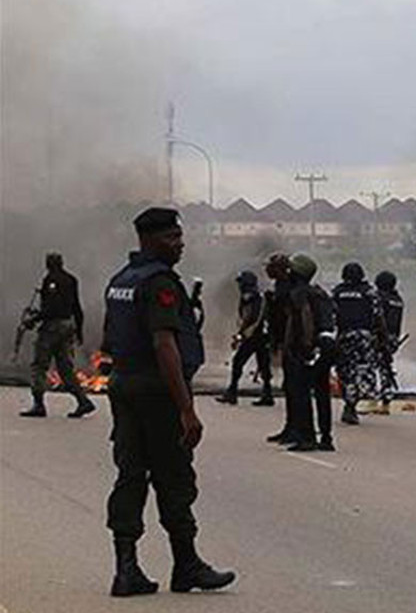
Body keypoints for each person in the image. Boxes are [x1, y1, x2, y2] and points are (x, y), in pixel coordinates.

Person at [101, 207, 234, 596]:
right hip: (156, 392)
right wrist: (186, 409)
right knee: (173, 476)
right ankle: (186, 565)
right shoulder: (159, 283)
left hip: (124, 386)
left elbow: (111, 339)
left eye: (179, 236)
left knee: (129, 475)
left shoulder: (120, 280)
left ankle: (126, 570)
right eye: (172, 237)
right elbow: (165, 345)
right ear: (150, 239)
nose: (180, 244)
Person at [19, 252, 95, 418]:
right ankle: (83, 401)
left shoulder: (51, 280)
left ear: (48, 264)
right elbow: (76, 307)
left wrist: (33, 319)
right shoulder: (71, 280)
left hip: (52, 328)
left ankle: (38, 405)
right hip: (68, 326)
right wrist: (79, 331)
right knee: (65, 368)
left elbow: (52, 309)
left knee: (39, 366)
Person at [281, 253, 337, 452]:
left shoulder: (299, 294)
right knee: (322, 393)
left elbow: (304, 320)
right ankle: (327, 438)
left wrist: (305, 348)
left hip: (311, 347)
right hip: (328, 346)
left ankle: (308, 437)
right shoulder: (320, 292)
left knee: (301, 392)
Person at [332, 262, 383, 425]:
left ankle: (349, 403)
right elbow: (378, 316)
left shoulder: (337, 292)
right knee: (363, 371)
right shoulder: (369, 292)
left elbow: (331, 316)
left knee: (345, 371)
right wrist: (382, 339)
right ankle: (352, 403)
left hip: (344, 336)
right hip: (364, 337)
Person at [216, 271, 272, 406]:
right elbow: (244, 320)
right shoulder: (248, 298)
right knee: (261, 365)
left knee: (241, 362)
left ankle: (233, 392)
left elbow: (256, 320)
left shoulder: (257, 298)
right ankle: (266, 394)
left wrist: (242, 336)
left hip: (257, 337)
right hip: (256, 337)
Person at [264, 252, 299, 445]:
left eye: (272, 267)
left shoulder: (289, 289)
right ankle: (290, 427)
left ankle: (297, 429)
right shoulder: (280, 287)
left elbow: (286, 319)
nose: (269, 270)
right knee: (290, 388)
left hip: (292, 344)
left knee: (294, 388)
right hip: (285, 342)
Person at [373, 271, 405, 415]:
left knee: (371, 367)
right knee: (386, 367)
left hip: (379, 337)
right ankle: (386, 402)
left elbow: (375, 318)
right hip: (393, 338)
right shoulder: (398, 299)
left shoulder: (379, 298)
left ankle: (371, 400)